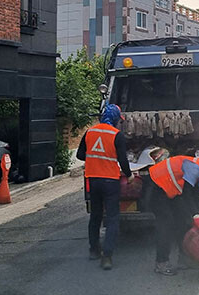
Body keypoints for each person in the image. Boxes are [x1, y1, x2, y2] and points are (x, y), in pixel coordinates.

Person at [148, 153, 199, 276]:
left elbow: (196, 197)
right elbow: (187, 193)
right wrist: (196, 215)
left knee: (182, 222)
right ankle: (161, 263)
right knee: (166, 225)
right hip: (156, 186)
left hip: (168, 188)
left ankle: (184, 259)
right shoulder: (195, 168)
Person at [76, 103, 133, 270]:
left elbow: (80, 155)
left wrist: (95, 159)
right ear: (115, 118)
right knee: (113, 218)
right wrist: (129, 175)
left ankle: (94, 250)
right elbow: (123, 160)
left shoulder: (89, 132)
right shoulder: (116, 135)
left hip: (93, 180)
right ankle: (107, 257)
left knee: (95, 216)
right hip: (110, 182)